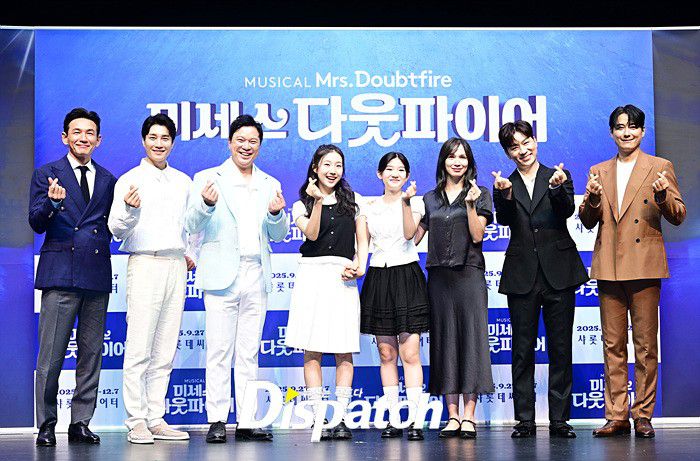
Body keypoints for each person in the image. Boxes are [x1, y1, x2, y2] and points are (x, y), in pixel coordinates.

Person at [580, 105, 686, 438]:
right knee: (612, 345)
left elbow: (678, 215)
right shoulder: (598, 171)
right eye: (620, 127)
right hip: (610, 266)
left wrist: (662, 195)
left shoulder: (660, 167)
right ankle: (616, 415)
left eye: (633, 127)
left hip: (644, 265)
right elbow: (587, 221)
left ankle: (642, 414)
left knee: (645, 346)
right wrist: (592, 200)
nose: (626, 132)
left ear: (642, 132)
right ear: (612, 132)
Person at [184, 115, 289, 443]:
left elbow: (279, 234)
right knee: (218, 350)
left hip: (256, 273)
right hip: (221, 274)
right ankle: (216, 419)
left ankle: (247, 420)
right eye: (240, 140)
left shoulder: (269, 183)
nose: (246, 146)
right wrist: (206, 204)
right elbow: (190, 224)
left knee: (248, 351)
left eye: (252, 141)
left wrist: (276, 214)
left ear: (260, 145)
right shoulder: (207, 178)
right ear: (230, 143)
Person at [493, 120, 589, 439]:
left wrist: (558, 188)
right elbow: (506, 220)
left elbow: (565, 212)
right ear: (508, 153)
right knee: (522, 350)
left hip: (559, 271)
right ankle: (525, 420)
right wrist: (504, 196)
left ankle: (559, 419)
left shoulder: (558, 175)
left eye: (526, 142)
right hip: (522, 274)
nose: (523, 151)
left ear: (535, 141)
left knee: (560, 347)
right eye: (514, 147)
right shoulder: (505, 184)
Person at [108, 114, 199, 444]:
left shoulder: (183, 182)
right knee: (139, 347)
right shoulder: (129, 180)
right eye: (153, 137)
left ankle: (155, 417)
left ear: (172, 143)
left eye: (165, 138)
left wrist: (191, 253)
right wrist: (130, 210)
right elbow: (115, 229)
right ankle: (136, 420)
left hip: (175, 264)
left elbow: (194, 226)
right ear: (143, 140)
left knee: (165, 348)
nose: (159, 144)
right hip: (145, 262)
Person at [29, 108, 116, 446]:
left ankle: (80, 422)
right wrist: (52, 204)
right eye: (77, 132)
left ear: (99, 140)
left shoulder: (108, 179)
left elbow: (112, 226)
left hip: (95, 273)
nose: (83, 138)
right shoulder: (47, 174)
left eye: (89, 132)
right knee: (51, 356)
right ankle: (46, 423)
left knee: (91, 354)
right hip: (60, 274)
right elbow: (36, 222)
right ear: (65, 137)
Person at [285, 144, 367, 440]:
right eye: (327, 165)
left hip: (342, 276)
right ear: (315, 168)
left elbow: (363, 239)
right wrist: (317, 202)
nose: (333, 170)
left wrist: (360, 265)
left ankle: (340, 417)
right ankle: (318, 415)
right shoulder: (300, 205)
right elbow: (312, 233)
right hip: (312, 275)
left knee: (344, 349)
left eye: (338, 165)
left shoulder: (354, 201)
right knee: (313, 349)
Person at [414, 137, 494, 439]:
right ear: (443, 161)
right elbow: (413, 236)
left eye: (462, 157)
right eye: (452, 156)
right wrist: (403, 205)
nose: (457, 162)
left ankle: (469, 416)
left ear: (469, 162)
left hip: (469, 274)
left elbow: (477, 235)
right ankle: (452, 416)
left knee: (472, 340)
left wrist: (471, 205)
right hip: (438, 279)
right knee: (444, 341)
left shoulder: (480, 193)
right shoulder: (429, 198)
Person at [357, 152, 428, 441]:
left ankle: (415, 420)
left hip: (407, 275)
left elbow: (411, 235)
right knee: (386, 354)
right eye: (389, 169)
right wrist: (356, 268)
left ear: (407, 176)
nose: (395, 174)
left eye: (400, 170)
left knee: (410, 353)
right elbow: (363, 245)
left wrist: (407, 203)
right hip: (378, 277)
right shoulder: (367, 206)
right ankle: (395, 417)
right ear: (380, 174)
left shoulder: (416, 202)